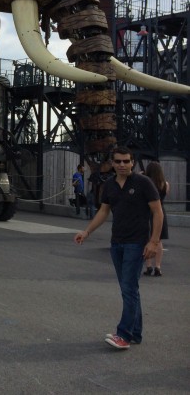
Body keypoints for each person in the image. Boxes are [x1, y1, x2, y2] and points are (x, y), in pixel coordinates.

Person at [73, 146, 163, 350]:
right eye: (118, 161)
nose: (122, 165)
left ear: (132, 162)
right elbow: (104, 212)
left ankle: (123, 335)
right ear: (112, 163)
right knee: (130, 289)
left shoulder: (143, 182)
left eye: (126, 161)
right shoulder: (109, 186)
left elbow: (158, 212)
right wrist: (86, 232)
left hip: (136, 242)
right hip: (117, 243)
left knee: (128, 289)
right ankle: (135, 334)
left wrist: (154, 241)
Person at [143, 161, 169, 277]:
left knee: (148, 239)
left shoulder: (146, 182)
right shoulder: (165, 184)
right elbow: (164, 195)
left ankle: (148, 266)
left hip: (148, 211)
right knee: (158, 240)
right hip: (161, 211)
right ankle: (158, 267)